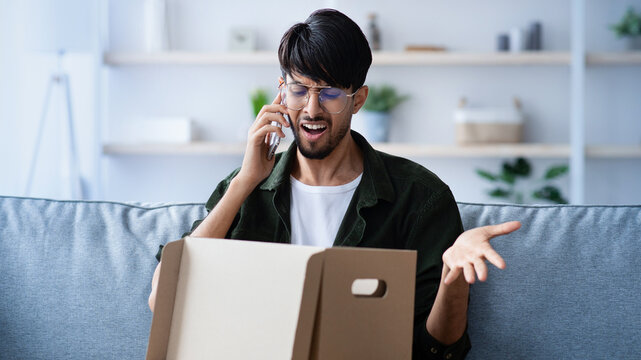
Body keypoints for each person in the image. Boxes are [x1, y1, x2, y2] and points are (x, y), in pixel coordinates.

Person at [148, 9, 520, 359]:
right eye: (299, 90)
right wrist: (245, 181)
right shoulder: (244, 188)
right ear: (280, 92)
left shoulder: (420, 197)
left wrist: (453, 279)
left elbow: (435, 350)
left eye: (329, 93)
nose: (311, 109)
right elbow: (163, 300)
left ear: (358, 99)